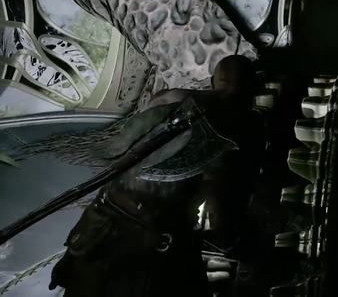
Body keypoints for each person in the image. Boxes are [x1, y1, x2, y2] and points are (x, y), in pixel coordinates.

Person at [49, 55, 266, 297]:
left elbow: (121, 167)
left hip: (99, 229)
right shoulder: (243, 126)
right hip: (149, 249)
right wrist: (239, 244)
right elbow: (221, 213)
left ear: (213, 81)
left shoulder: (167, 97)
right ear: (253, 90)